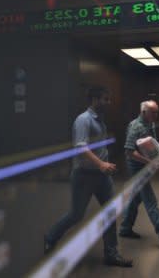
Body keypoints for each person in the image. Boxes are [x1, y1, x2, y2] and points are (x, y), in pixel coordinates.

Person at [44, 86, 133, 267]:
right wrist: (101, 164)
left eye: (108, 99)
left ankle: (111, 253)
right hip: (84, 176)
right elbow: (80, 147)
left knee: (109, 211)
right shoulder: (83, 120)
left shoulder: (100, 120)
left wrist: (104, 164)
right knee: (76, 215)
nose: (108, 103)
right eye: (105, 99)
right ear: (94, 99)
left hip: (102, 177)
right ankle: (51, 236)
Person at [119, 100, 159, 251]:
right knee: (151, 202)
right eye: (153, 112)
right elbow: (129, 151)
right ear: (143, 112)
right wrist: (149, 161)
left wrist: (158, 156)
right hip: (136, 168)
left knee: (135, 199)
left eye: (157, 112)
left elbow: (151, 144)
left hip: (144, 165)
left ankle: (125, 228)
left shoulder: (150, 123)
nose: (156, 115)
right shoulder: (136, 127)